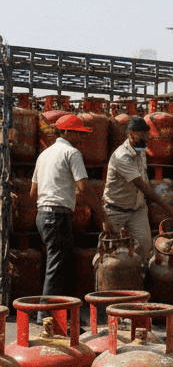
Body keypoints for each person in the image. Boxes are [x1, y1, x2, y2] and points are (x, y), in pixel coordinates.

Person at [30, 114, 114, 298]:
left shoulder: (44, 154)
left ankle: (61, 313)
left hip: (42, 215)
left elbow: (33, 192)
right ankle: (47, 314)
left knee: (57, 264)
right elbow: (84, 187)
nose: (82, 137)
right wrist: (104, 218)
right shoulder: (72, 153)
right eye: (78, 133)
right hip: (57, 215)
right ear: (66, 132)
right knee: (57, 267)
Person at [103, 117, 173, 261]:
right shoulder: (122, 156)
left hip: (137, 209)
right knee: (109, 251)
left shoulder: (140, 151)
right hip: (116, 209)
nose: (147, 139)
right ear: (131, 134)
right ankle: (107, 275)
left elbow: (144, 178)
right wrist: (166, 206)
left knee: (145, 245)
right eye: (142, 135)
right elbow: (141, 185)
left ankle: (133, 271)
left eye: (147, 135)